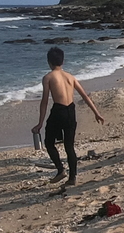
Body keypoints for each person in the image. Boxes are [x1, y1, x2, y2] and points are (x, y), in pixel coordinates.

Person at [33, 46, 105, 187]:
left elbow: (45, 101)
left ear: (49, 62)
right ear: (63, 61)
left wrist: (40, 123)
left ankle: (60, 170)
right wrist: (97, 113)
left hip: (58, 111)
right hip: (71, 111)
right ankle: (72, 178)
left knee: (49, 142)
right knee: (69, 146)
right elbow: (85, 96)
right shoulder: (70, 77)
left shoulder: (48, 77)